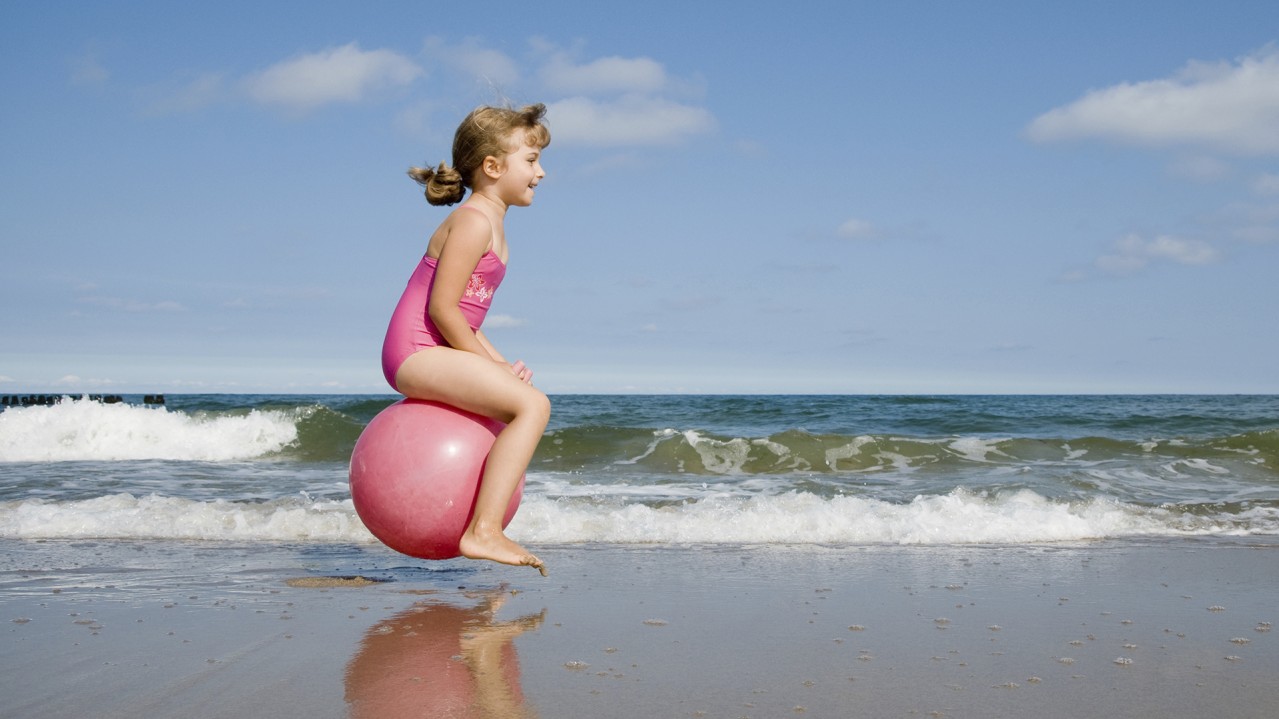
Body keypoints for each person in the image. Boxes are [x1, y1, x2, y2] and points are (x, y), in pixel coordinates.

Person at [381, 103, 551, 576]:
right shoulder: (475, 221)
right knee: (533, 408)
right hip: (415, 352)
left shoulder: (494, 225)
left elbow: (468, 321)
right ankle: (483, 531)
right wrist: (490, 368)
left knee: (525, 399)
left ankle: (484, 526)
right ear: (493, 167)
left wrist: (500, 364)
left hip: (436, 347)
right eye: (531, 160)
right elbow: (441, 310)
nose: (541, 172)